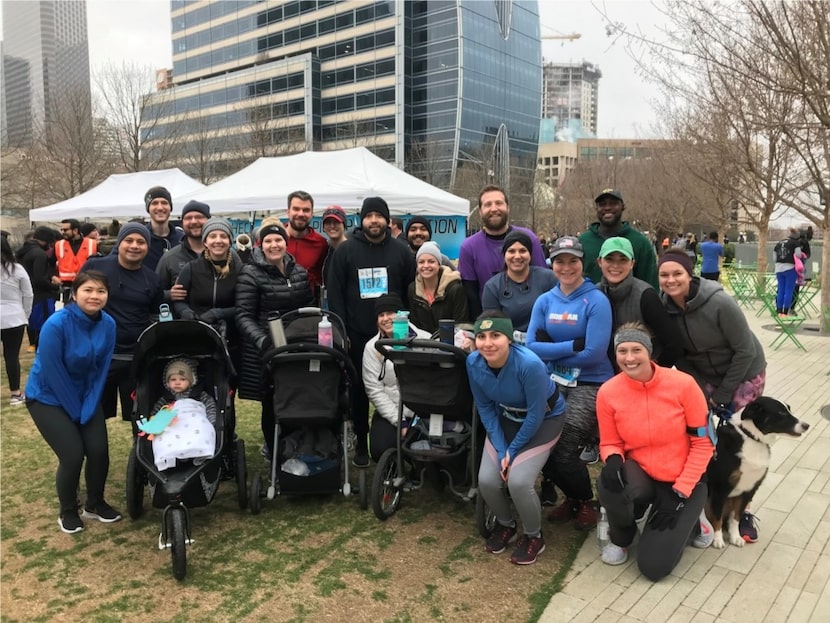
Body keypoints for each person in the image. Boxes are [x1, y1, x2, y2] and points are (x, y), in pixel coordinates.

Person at [658, 248, 767, 543]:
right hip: (706, 379)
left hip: (744, 374)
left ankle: (741, 511)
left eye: (677, 273)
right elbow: (678, 354)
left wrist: (721, 394)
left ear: (690, 274)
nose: (671, 280)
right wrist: (699, 386)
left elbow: (744, 350)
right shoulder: (663, 306)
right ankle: (708, 503)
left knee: (742, 448)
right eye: (664, 275)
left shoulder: (718, 302)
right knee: (704, 440)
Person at [596, 322, 715, 579]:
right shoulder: (608, 392)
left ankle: (695, 523)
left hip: (683, 481)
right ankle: (622, 537)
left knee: (653, 568)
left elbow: (703, 444)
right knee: (608, 484)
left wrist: (681, 491)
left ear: (649, 352)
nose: (629, 358)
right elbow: (609, 442)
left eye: (636, 349)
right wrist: (613, 460)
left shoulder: (684, 385)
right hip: (643, 475)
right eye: (622, 351)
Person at [526, 236, 614, 529]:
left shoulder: (596, 300)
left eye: (572, 260)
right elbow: (530, 345)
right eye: (559, 261)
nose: (566, 267)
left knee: (564, 449)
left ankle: (585, 500)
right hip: (553, 380)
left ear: (582, 263)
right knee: (543, 446)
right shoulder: (545, 300)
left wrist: (553, 349)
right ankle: (573, 499)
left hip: (591, 383)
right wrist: (572, 344)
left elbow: (595, 353)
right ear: (551, 264)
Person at [467, 311, 567, 565]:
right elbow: (486, 408)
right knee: (487, 480)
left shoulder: (529, 364)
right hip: (506, 418)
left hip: (544, 420)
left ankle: (534, 536)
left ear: (509, 339)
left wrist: (512, 452)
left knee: (519, 481)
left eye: (495, 335)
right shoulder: (473, 362)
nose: (487, 343)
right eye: (481, 336)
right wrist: (502, 451)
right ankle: (506, 524)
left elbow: (535, 414)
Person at [25, 271, 120, 533]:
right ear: (74, 293)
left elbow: (101, 370)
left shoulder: (108, 324)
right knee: (73, 454)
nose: (94, 296)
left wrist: (90, 404)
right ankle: (68, 510)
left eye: (100, 291)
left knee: (99, 450)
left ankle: (95, 504)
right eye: (88, 290)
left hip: (85, 397)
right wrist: (77, 412)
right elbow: (54, 373)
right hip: (47, 397)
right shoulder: (56, 324)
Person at [327, 196, 416, 467]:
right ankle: (362, 443)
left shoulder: (401, 251)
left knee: (398, 384)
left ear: (387, 220)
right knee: (358, 391)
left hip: (394, 334)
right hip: (356, 332)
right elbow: (335, 293)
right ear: (361, 220)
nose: (374, 220)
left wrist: (406, 330)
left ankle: (403, 432)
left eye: (379, 215)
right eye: (369, 216)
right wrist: (342, 332)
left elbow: (410, 292)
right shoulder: (345, 251)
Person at [235, 223, 314, 457]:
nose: (274, 245)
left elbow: (308, 307)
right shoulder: (250, 273)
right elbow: (243, 315)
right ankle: (274, 449)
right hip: (265, 351)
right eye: (268, 241)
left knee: (296, 397)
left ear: (285, 243)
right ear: (261, 244)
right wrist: (262, 341)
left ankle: (297, 446)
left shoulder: (298, 271)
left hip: (295, 347)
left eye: (278, 240)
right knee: (271, 402)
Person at [82, 223, 164, 425]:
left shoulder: (152, 279)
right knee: (93, 415)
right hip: (98, 358)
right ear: (119, 242)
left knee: (140, 417)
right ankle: (95, 455)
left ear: (147, 247)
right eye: (129, 240)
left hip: (134, 360)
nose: (134, 246)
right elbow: (76, 305)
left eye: (141, 242)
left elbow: (157, 319)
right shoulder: (96, 267)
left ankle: (141, 455)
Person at [459, 185, 547, 319]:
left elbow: (543, 283)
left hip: (531, 320)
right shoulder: (469, 246)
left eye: (499, 203)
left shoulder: (529, 239)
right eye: (488, 204)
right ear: (480, 212)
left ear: (508, 207)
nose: (494, 208)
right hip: (490, 321)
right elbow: (470, 294)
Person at [362, 294, 431, 463]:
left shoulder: (425, 339)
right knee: (380, 449)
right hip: (393, 410)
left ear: (401, 314)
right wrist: (400, 422)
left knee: (427, 450)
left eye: (390, 313)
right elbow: (374, 390)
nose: (386, 319)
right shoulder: (372, 348)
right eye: (381, 315)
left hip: (422, 411)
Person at [596, 237, 681, 369]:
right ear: (600, 262)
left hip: (642, 374)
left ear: (632, 264)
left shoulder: (645, 295)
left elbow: (673, 343)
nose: (615, 265)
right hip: (606, 374)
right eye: (609, 259)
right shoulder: (595, 294)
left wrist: (653, 372)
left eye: (623, 260)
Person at [173, 218, 242, 372]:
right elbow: (178, 299)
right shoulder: (191, 269)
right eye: (213, 236)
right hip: (197, 339)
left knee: (227, 388)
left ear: (230, 241)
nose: (218, 241)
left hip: (230, 339)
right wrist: (185, 311)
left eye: (223, 236)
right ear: (205, 241)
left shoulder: (240, 270)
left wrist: (219, 313)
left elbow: (244, 306)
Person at [481, 230, 557, 342]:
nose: (517, 256)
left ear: (530, 254)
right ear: (504, 255)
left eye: (522, 251)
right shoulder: (492, 287)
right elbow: (492, 328)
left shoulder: (549, 278)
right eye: (511, 251)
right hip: (509, 347)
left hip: (546, 344)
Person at [143, 358, 218, 471]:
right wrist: (154, 423)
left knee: (202, 428)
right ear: (167, 382)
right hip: (174, 423)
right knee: (163, 435)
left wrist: (211, 421)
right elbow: (156, 412)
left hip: (194, 419)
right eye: (173, 379)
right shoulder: (166, 398)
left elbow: (211, 406)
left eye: (182, 379)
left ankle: (200, 453)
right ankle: (172, 455)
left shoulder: (199, 395)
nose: (177, 382)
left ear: (191, 380)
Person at [578, 189, 658, 289]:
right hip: (591, 303)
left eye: (613, 203)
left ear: (623, 207)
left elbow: (650, 284)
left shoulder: (640, 243)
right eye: (602, 204)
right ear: (596, 208)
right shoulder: (583, 242)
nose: (607, 207)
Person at [155, 199, 212, 303]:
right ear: (182, 223)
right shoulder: (169, 258)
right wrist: (168, 295)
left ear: (209, 220)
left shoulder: (227, 256)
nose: (194, 221)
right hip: (182, 318)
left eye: (199, 217)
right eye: (188, 218)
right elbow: (154, 294)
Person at [407, 241, 468, 334]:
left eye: (431, 261)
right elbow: (415, 326)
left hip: (450, 343)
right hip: (423, 344)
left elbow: (461, 324)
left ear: (439, 264)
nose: (426, 266)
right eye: (421, 262)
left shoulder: (455, 289)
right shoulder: (413, 289)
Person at [16, 226, 59, 352]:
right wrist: (55, 287)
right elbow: (39, 278)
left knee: (34, 326)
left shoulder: (22, 252)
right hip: (42, 297)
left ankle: (37, 349)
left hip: (27, 296)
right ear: (46, 240)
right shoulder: (39, 254)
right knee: (45, 327)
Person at [1, 237, 33, 406]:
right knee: (11, 356)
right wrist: (25, 314)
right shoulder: (17, 269)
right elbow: (28, 294)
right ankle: (15, 393)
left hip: (12, 314)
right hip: (14, 317)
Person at [284, 190, 328, 300]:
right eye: (296, 209)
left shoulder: (321, 243)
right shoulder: (272, 239)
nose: (301, 214)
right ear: (288, 211)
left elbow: (321, 277)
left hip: (307, 307)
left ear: (312, 213)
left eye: (306, 210)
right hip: (276, 306)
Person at [55, 219, 97, 303]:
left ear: (75, 230)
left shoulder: (92, 244)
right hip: (67, 287)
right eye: (62, 230)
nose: (63, 232)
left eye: (66, 230)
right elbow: (50, 262)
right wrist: (53, 276)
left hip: (87, 284)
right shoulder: (59, 245)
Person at [143, 186, 184, 270]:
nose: (160, 208)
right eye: (154, 203)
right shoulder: (139, 238)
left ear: (170, 207)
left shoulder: (182, 239)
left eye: (164, 203)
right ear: (148, 208)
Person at [773, 227, 800, 316]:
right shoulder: (795, 243)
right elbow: (798, 255)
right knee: (789, 290)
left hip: (778, 268)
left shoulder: (778, 243)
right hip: (790, 268)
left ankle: (779, 310)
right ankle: (785, 311)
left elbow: (774, 258)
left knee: (781, 289)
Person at [321, 205, 348, 288]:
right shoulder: (324, 250)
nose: (332, 226)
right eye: (328, 222)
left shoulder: (353, 250)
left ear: (344, 225)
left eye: (336, 222)